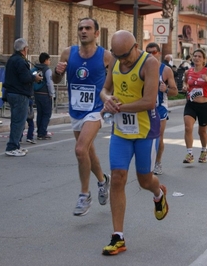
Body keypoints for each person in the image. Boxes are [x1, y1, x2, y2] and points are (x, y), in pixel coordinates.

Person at [100, 30, 168, 256]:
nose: (122, 61)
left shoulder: (149, 63)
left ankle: (158, 193)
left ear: (136, 46)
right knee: (118, 178)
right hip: (120, 131)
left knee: (144, 180)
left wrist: (117, 107)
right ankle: (117, 236)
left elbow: (149, 101)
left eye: (125, 56)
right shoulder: (116, 60)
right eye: (117, 56)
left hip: (145, 131)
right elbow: (105, 89)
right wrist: (107, 100)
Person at [52, 18, 111, 216]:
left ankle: (84, 195)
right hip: (76, 110)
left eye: (88, 28)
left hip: (96, 109)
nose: (83, 31)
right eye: (80, 28)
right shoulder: (68, 53)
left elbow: (114, 81)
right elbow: (56, 79)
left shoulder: (106, 56)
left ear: (96, 33)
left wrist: (110, 98)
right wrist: (57, 72)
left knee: (79, 149)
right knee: (88, 151)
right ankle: (103, 181)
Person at [3, 38, 43, 156]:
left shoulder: (12, 59)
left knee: (16, 121)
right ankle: (12, 147)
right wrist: (34, 78)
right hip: (20, 94)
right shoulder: (20, 61)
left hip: (12, 93)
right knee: (19, 122)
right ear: (24, 49)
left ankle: (15, 145)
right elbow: (25, 78)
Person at [181, 48, 207, 164]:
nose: (197, 58)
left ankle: (204, 150)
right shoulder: (188, 72)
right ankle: (189, 154)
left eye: (199, 56)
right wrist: (185, 86)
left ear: (204, 59)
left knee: (202, 132)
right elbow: (185, 82)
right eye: (195, 56)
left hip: (204, 106)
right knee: (188, 127)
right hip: (191, 104)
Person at [145, 42, 178, 175]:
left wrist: (166, 89)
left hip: (160, 107)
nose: (151, 55)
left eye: (154, 52)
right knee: (145, 137)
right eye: (148, 52)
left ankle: (157, 162)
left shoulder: (165, 70)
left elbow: (175, 91)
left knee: (158, 136)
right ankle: (148, 162)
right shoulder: (142, 67)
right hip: (144, 106)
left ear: (159, 54)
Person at [33, 52, 55, 140]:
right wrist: (52, 94)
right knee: (46, 114)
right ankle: (42, 132)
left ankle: (39, 131)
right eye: (49, 60)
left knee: (40, 113)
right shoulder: (47, 70)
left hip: (37, 93)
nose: (49, 62)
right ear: (46, 60)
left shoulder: (35, 68)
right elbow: (49, 83)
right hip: (45, 94)